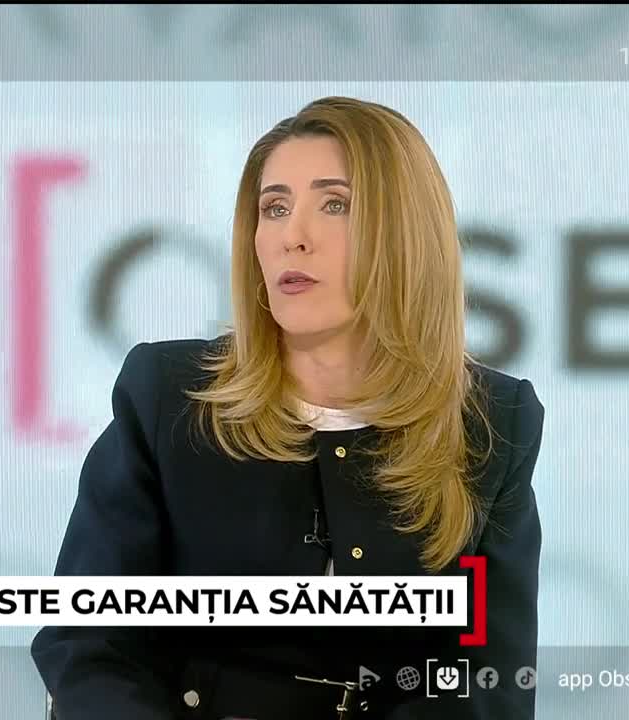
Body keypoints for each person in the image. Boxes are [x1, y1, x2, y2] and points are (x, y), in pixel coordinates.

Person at [30, 96, 545, 720]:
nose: (291, 237)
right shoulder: (167, 396)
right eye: (274, 208)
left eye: (335, 204)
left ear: (406, 233)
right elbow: (88, 644)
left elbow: (487, 685)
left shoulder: (491, 423)